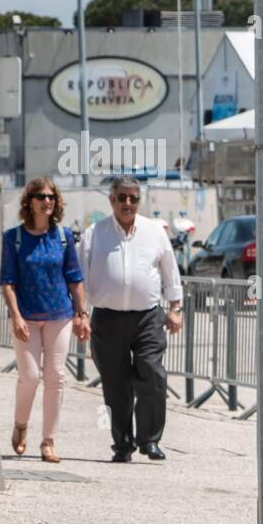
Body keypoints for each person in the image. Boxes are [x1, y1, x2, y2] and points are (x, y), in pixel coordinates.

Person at [78, 176, 183, 463]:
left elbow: (170, 271)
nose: (127, 203)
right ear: (111, 200)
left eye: (133, 198)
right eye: (121, 197)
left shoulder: (154, 231)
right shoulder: (94, 234)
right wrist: (81, 314)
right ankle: (122, 445)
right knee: (116, 385)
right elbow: (80, 279)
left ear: (139, 201)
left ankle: (149, 440)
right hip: (107, 320)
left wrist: (175, 308)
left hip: (148, 317)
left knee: (152, 373)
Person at [0, 179, 90, 463]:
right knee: (30, 376)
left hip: (59, 316)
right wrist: (15, 316)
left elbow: (75, 279)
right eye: (40, 196)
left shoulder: (63, 237)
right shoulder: (13, 238)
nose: (47, 201)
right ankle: (21, 425)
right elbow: (7, 281)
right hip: (25, 316)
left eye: (51, 196)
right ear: (30, 202)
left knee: (56, 377)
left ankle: (48, 441)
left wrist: (81, 315)